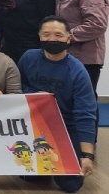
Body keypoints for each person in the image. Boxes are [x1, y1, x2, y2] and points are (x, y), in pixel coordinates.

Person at [18, 16, 96, 193]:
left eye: (58, 35)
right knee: (28, 176)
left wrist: (87, 155)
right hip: (34, 125)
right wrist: (34, 94)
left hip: (66, 127)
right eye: (46, 34)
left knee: (71, 185)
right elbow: (17, 86)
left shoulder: (77, 71)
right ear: (39, 37)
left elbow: (85, 114)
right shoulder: (28, 58)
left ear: (69, 38)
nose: (52, 39)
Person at [47, 0, 108, 110]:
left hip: (86, 56)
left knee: (85, 102)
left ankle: (88, 129)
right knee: (66, 100)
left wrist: (66, 37)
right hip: (66, 54)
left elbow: (97, 24)